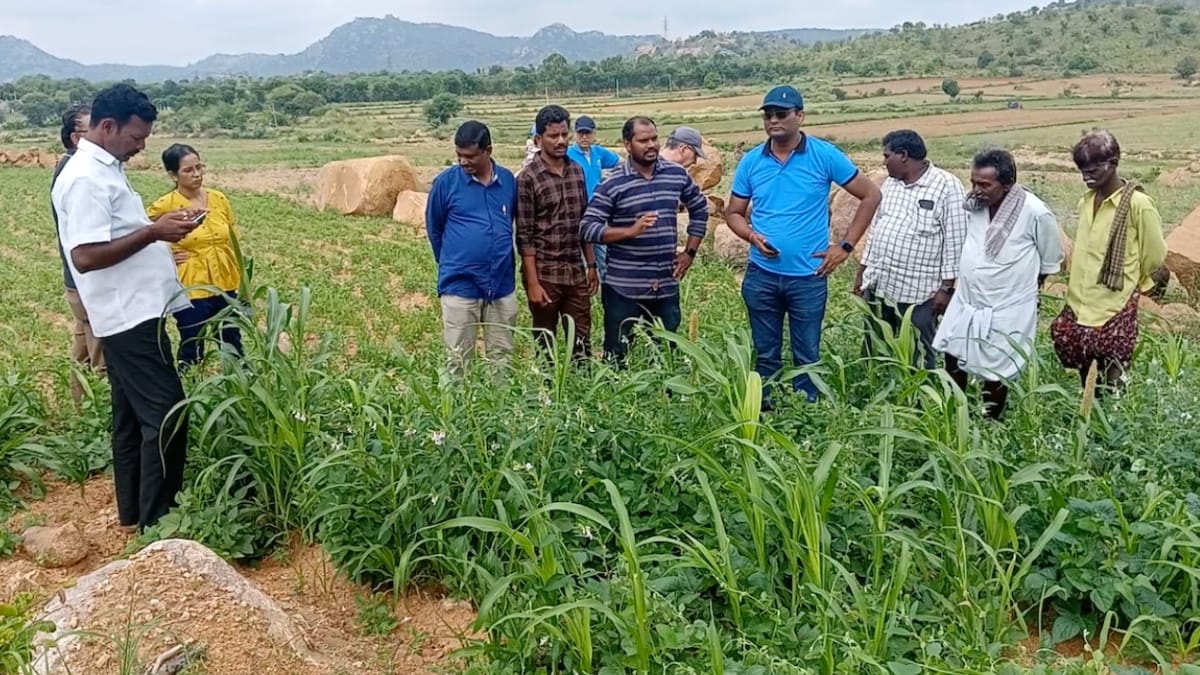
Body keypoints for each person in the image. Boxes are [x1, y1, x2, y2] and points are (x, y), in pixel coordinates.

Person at [51, 83, 198, 532]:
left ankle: (134, 516)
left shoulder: (105, 168)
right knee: (168, 414)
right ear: (108, 127)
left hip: (135, 310)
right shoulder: (85, 179)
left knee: (131, 419)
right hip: (128, 315)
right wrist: (154, 232)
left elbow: (113, 235)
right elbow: (85, 255)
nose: (141, 146)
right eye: (136, 137)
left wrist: (155, 229)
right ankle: (159, 524)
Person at [724, 85, 882, 405]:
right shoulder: (752, 161)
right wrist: (752, 236)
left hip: (808, 277)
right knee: (765, 352)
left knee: (807, 354)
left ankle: (805, 411)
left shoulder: (824, 155)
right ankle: (765, 407)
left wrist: (845, 247)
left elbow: (871, 195)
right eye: (768, 115)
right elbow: (733, 213)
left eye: (781, 114)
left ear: (800, 116)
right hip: (762, 275)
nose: (773, 120)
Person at [932, 149, 1064, 420]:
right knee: (953, 353)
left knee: (997, 364)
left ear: (1007, 184)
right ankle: (954, 413)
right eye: (973, 182)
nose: (976, 190)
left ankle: (991, 420)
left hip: (1008, 305)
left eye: (984, 185)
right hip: (968, 299)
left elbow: (1050, 259)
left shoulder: (1035, 212)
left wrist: (1027, 287)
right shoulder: (973, 206)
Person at [579, 116, 709, 363]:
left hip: (665, 285)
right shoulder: (613, 182)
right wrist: (629, 231)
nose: (651, 145)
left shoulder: (675, 174)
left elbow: (700, 208)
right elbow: (588, 227)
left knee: (666, 358)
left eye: (654, 139)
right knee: (617, 359)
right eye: (643, 140)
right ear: (627, 144)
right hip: (623, 289)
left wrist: (689, 253)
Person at [1051, 129, 1166, 393]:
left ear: (1113, 163)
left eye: (1093, 171)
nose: (1086, 177)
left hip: (1114, 303)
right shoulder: (1086, 201)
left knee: (1114, 373)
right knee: (1085, 369)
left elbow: (1155, 255)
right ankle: (1090, 414)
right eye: (1082, 172)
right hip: (1080, 301)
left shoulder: (1138, 204)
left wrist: (1131, 279)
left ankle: (1113, 418)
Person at [855, 129, 969, 370]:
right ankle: (874, 386)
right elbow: (876, 231)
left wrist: (946, 289)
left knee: (919, 356)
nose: (884, 162)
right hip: (881, 284)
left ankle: (919, 391)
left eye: (887, 156)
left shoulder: (946, 186)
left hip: (920, 293)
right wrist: (861, 274)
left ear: (904, 155)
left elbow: (955, 241)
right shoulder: (890, 184)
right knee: (875, 347)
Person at [426, 120, 519, 372]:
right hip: (460, 286)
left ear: (488, 150)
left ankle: (501, 399)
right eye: (459, 155)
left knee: (502, 360)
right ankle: (455, 399)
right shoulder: (445, 183)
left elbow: (510, 222)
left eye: (470, 156)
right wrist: (453, 262)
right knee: (457, 360)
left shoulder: (508, 181)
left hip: (501, 285)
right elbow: (435, 229)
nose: (463, 161)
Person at [147, 144, 244, 369]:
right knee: (192, 343)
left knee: (232, 342)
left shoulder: (219, 199)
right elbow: (141, 234)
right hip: (191, 285)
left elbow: (233, 237)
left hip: (225, 282)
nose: (197, 174)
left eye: (199, 167)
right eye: (188, 170)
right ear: (173, 175)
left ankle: (239, 382)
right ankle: (190, 382)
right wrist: (165, 256)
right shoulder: (165, 205)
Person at [517, 105, 598, 361]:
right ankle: (547, 385)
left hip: (575, 269)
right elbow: (525, 236)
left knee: (581, 339)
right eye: (553, 136)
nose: (561, 141)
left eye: (564, 134)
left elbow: (584, 221)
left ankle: (582, 383)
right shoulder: (528, 178)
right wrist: (532, 283)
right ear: (538, 140)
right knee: (545, 341)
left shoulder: (576, 171)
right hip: (545, 272)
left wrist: (591, 264)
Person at [51, 103, 105, 403]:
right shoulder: (78, 173)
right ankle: (101, 411)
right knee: (102, 352)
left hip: (75, 277)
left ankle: (79, 405)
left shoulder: (68, 166)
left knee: (83, 340)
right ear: (76, 137)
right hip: (85, 278)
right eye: (92, 127)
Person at [567, 115, 622, 279]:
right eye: (581, 133)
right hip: (576, 211)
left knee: (602, 253)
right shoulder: (568, 155)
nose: (584, 137)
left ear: (594, 134)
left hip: (597, 211)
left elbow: (621, 162)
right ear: (575, 134)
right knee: (578, 254)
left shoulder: (598, 153)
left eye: (588, 133)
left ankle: (605, 284)